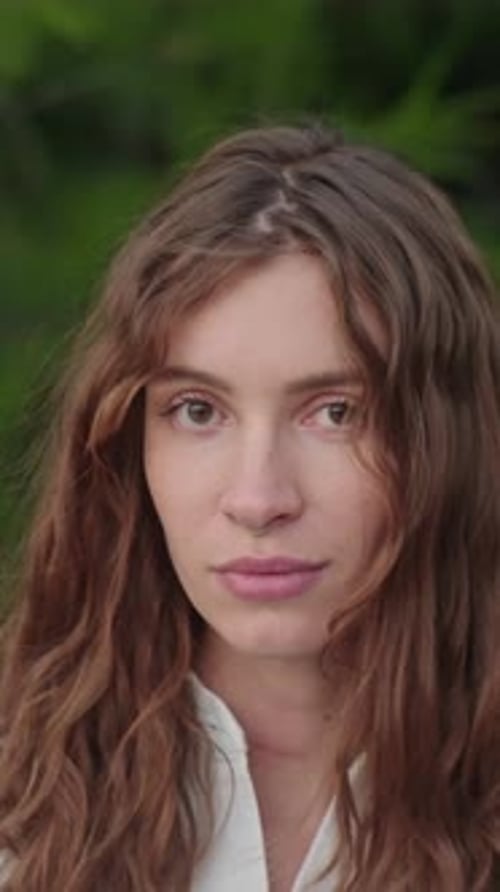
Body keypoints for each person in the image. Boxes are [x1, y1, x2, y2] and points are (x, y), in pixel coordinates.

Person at [0, 123, 498, 892]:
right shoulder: (19, 799)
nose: (259, 499)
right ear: (130, 446)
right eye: (198, 411)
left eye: (336, 413)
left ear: (448, 441)